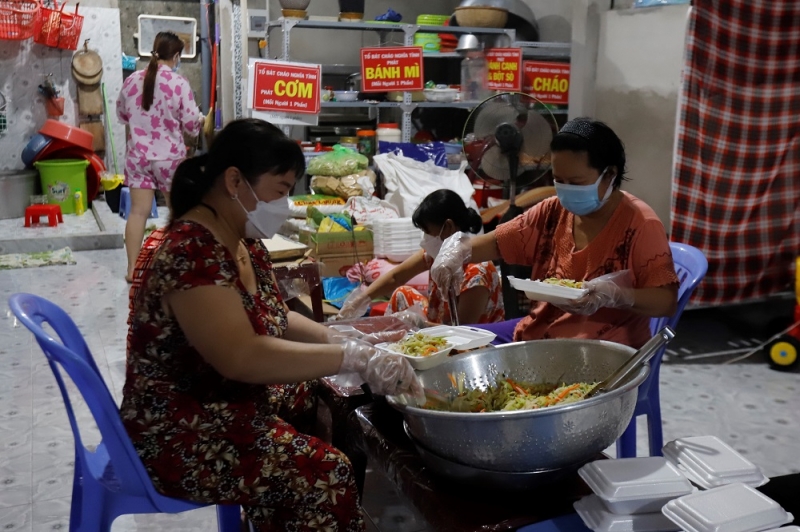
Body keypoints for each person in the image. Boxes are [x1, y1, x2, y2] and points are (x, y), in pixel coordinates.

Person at [122, 118, 423, 532]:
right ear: (235, 181)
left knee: (320, 398)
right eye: (279, 191)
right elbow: (242, 356)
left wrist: (343, 338)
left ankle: (281, 517)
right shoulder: (191, 251)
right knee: (326, 474)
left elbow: (277, 319)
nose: (283, 204)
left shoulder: (242, 241)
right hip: (181, 430)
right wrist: (349, 357)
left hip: (224, 402)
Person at [432, 118, 679, 348]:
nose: (566, 190)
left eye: (576, 182)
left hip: (600, 349)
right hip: (540, 330)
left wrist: (616, 295)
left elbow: (665, 301)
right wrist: (458, 250)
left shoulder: (641, 224)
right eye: (559, 180)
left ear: (610, 175)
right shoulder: (553, 211)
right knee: (449, 347)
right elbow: (497, 244)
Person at [337, 189, 504, 325]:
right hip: (440, 325)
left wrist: (417, 323)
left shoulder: (477, 274)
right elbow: (396, 277)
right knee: (402, 294)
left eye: (428, 232)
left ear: (448, 227)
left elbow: (462, 331)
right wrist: (359, 301)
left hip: (472, 342)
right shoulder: (438, 254)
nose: (425, 239)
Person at [117, 31, 204, 283]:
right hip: (169, 160)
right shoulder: (179, 84)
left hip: (138, 157)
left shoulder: (132, 80)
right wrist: (198, 120)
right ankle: (178, 266)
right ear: (176, 56)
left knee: (137, 213)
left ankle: (132, 269)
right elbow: (191, 126)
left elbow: (123, 115)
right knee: (177, 213)